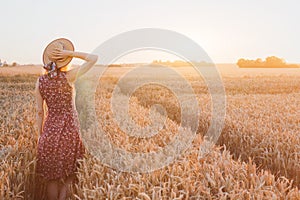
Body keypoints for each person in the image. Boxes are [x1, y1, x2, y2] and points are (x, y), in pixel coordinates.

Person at [35, 38, 98, 200]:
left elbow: (39, 112)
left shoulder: (40, 81)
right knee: (70, 174)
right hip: (70, 131)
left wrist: (40, 136)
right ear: (65, 60)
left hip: (50, 132)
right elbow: (94, 58)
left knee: (52, 178)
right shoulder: (70, 76)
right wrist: (69, 53)